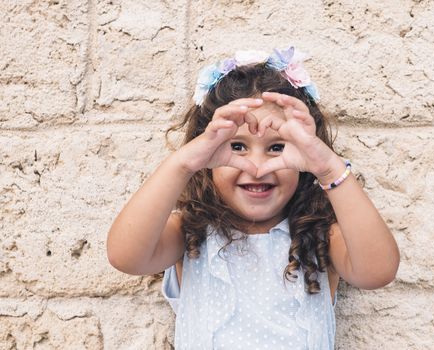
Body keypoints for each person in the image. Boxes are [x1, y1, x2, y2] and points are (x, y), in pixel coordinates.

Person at [106, 47, 400, 349]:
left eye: (276, 147)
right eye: (237, 147)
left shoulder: (321, 237)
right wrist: (183, 164)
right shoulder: (190, 235)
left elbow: (377, 271)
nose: (257, 168)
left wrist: (328, 169)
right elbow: (126, 256)